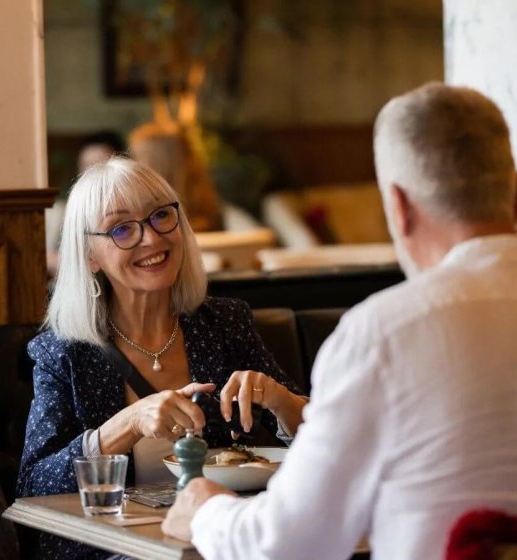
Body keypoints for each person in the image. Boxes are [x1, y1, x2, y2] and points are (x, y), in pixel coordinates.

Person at [162, 83, 517, 559]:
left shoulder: (384, 335)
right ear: (513, 195)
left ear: (399, 207)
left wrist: (206, 507)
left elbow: (288, 546)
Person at [18, 156, 307, 559]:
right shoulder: (64, 352)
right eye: (122, 229)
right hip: (110, 550)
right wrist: (129, 422)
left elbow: (328, 440)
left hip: (214, 539)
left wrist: (281, 400)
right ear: (90, 256)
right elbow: (33, 484)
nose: (151, 240)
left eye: (159, 217)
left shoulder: (224, 324)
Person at [46, 131, 127, 276]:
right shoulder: (61, 213)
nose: (90, 176)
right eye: (85, 167)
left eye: (100, 167)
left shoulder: (127, 216)